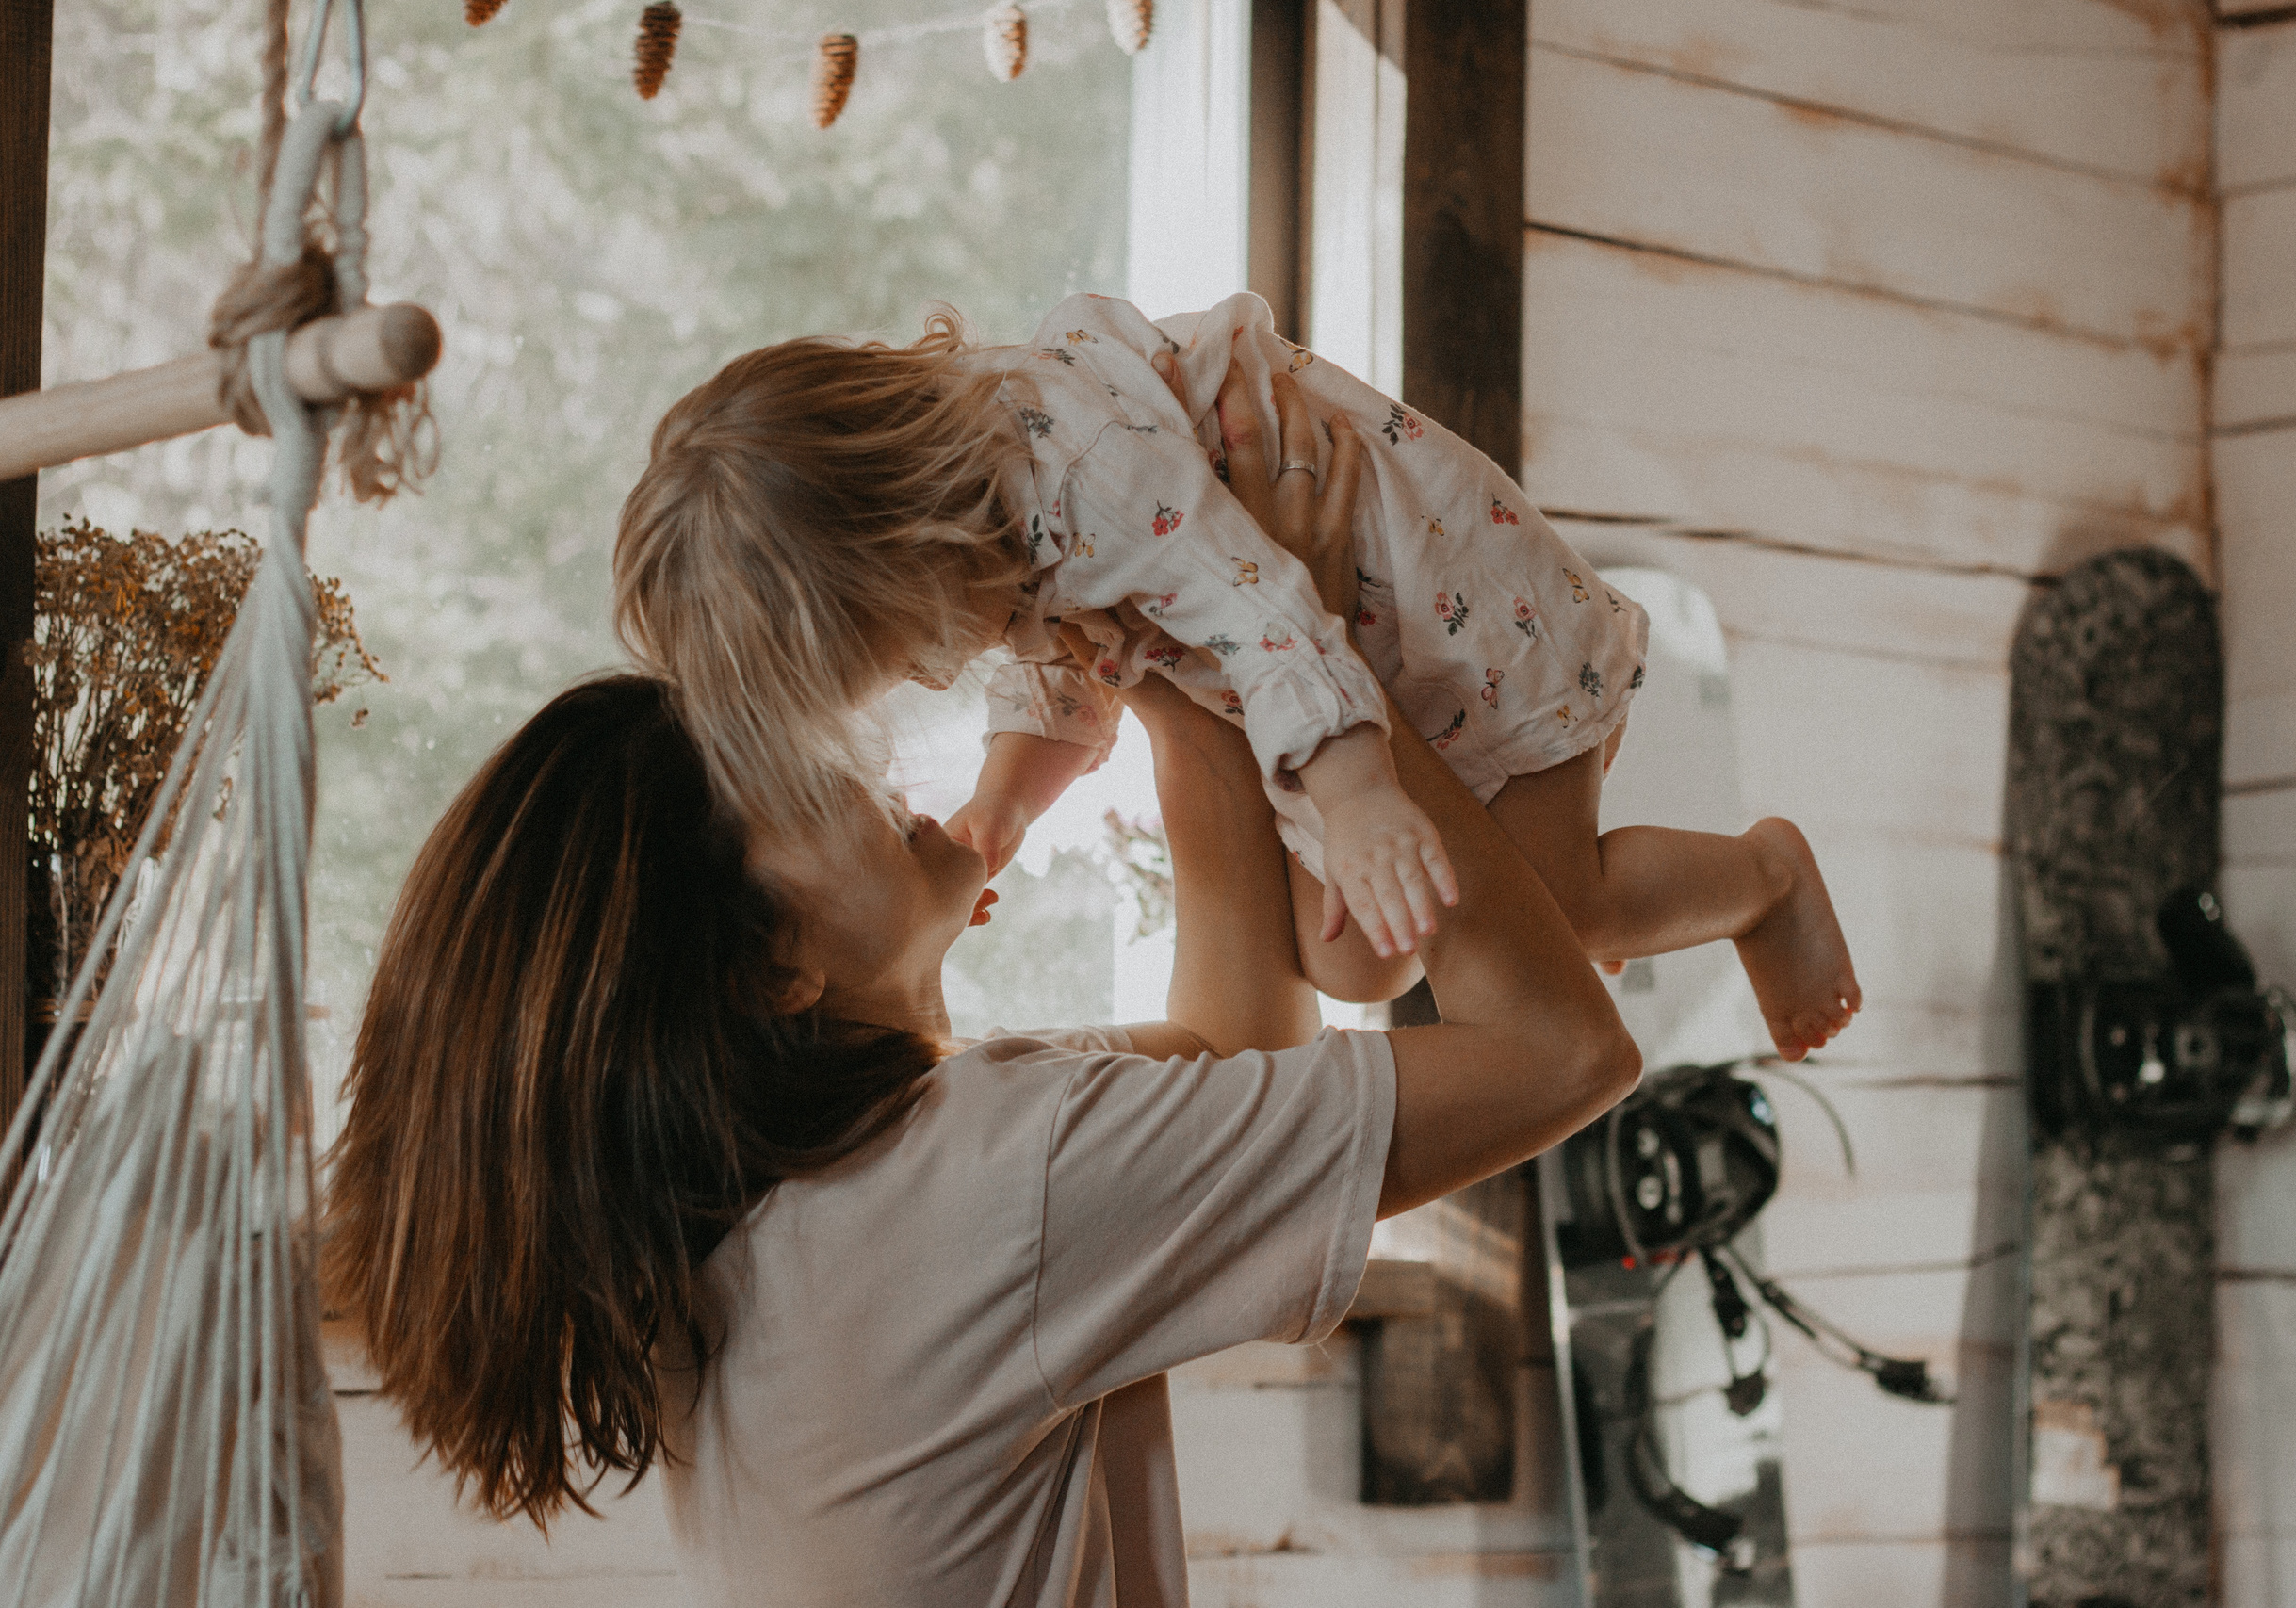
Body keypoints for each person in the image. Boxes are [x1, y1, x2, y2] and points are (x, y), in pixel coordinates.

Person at [321, 402, 1639, 1607]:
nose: (853, 757)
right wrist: (1311, 649)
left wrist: (1207, 662)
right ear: (769, 973)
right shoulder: (979, 1178)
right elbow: (1561, 1052)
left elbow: (1237, 1054)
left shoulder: (787, 1207)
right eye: (787, 780)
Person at [613, 292, 1858, 1060]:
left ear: (894, 560)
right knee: (1363, 966)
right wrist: (1006, 804)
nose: (917, 671)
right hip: (1325, 662)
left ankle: (1764, 879)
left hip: (1454, 620)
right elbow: (1065, 658)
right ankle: (1548, 890)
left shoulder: (1084, 471)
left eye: (885, 653)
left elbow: (1260, 600)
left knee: (1565, 908)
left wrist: (1361, 797)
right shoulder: (987, 516)